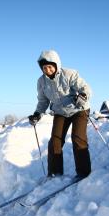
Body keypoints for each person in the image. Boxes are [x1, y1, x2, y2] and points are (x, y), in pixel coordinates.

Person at [28, 50, 92, 179]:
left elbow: (85, 88)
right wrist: (37, 114)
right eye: (44, 68)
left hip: (78, 109)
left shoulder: (69, 74)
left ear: (56, 65)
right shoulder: (41, 82)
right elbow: (43, 101)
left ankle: (83, 172)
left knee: (77, 138)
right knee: (55, 142)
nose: (48, 70)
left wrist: (83, 96)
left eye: (50, 66)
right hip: (60, 112)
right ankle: (54, 172)